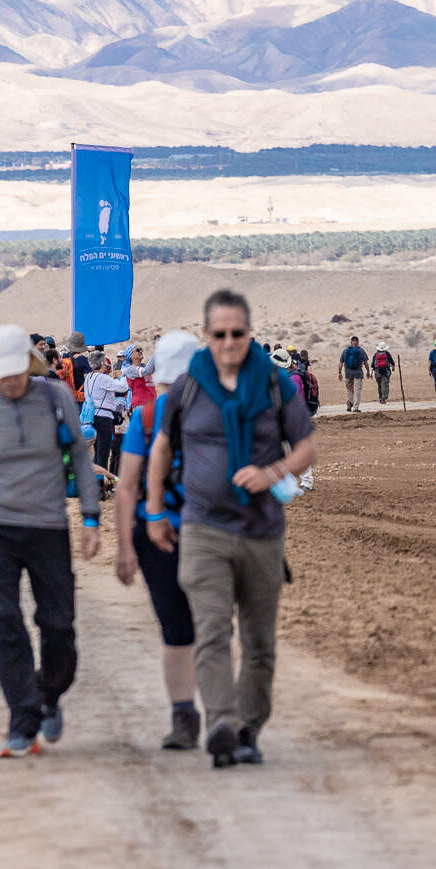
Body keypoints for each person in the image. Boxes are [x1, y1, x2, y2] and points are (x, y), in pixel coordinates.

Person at [144, 289, 316, 768]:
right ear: (206, 335)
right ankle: (220, 721)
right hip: (204, 529)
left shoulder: (275, 384)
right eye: (218, 334)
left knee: (259, 641)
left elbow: (305, 447)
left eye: (237, 333)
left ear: (249, 333)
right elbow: (162, 448)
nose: (228, 342)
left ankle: (248, 729)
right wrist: (156, 511)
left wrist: (272, 473)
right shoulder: (188, 387)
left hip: (262, 531)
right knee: (213, 629)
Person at [0, 324, 102, 758]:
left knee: (58, 627)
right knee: (2, 622)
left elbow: (79, 454)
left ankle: (48, 694)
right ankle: (22, 718)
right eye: (0, 373)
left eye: (16, 370)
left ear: (30, 364)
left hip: (48, 528)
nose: (9, 380)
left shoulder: (54, 398)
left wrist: (90, 519)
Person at [113, 330, 204, 751]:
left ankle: (184, 716)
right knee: (213, 625)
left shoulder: (145, 417)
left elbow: (127, 486)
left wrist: (125, 547)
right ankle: (223, 709)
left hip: (156, 534)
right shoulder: (222, 411)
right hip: (212, 533)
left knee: (176, 630)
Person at [83, 355, 131, 480]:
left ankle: (96, 482)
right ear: (102, 364)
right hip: (104, 417)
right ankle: (102, 485)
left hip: (92, 417)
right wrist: (122, 376)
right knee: (103, 454)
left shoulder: (88, 377)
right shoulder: (102, 378)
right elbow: (122, 387)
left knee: (97, 452)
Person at [338, 336, 368, 412]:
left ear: (351, 342)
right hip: (358, 373)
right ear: (358, 342)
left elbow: (341, 362)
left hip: (348, 373)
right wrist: (368, 371)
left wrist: (339, 372)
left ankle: (350, 402)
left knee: (349, 389)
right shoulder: (361, 351)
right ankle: (355, 408)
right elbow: (365, 363)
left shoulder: (345, 351)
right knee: (357, 390)